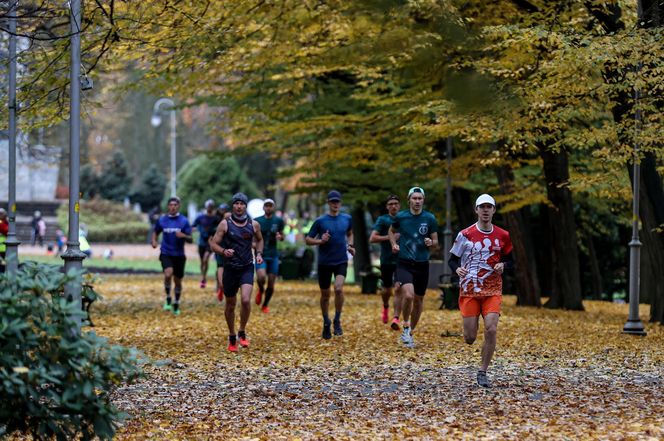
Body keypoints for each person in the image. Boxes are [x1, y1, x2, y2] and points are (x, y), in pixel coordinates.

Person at [448, 194, 513, 388]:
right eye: (482, 207)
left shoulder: (503, 235)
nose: (485, 210)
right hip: (469, 289)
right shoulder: (465, 234)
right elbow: (452, 259)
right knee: (470, 338)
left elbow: (512, 260)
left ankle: (483, 371)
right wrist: (457, 269)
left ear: (494, 210)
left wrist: (504, 265)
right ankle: (472, 335)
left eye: (489, 207)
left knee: (491, 329)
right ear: (476, 210)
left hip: (492, 288)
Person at [209, 193, 264, 352]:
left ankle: (242, 331)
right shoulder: (224, 224)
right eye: (236, 203)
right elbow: (214, 244)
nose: (239, 206)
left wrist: (259, 254)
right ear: (233, 206)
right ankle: (232, 335)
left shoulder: (254, 225)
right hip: (230, 268)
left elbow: (260, 240)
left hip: (246, 266)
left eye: (242, 204)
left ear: (245, 206)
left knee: (246, 300)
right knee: (231, 304)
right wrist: (223, 251)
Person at [388, 187, 439, 348]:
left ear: (423, 200)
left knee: (418, 300)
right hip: (404, 263)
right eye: (414, 198)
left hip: (422, 264)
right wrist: (394, 244)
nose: (417, 201)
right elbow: (391, 230)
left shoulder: (429, 218)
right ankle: (405, 325)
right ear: (409, 200)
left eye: (420, 198)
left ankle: (410, 333)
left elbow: (436, 242)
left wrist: (431, 243)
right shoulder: (401, 217)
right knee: (408, 295)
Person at [305, 190, 354, 339]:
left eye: (337, 202)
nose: (335, 204)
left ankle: (337, 319)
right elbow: (308, 239)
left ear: (340, 203)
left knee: (338, 289)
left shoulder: (347, 218)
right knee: (325, 295)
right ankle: (326, 321)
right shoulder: (320, 221)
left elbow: (350, 233)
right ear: (328, 203)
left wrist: (351, 245)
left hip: (341, 260)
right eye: (332, 202)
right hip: (324, 262)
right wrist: (320, 241)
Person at [152, 197, 193, 316]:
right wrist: (154, 241)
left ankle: (176, 302)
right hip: (166, 252)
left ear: (178, 206)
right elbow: (156, 231)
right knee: (168, 273)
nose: (173, 207)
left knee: (178, 281)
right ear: (168, 206)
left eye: (175, 205)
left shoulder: (184, 221)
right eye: (171, 205)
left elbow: (191, 238)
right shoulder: (162, 220)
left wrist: (184, 236)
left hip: (179, 255)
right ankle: (168, 297)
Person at [369, 195, 402, 328]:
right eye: (391, 204)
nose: (393, 206)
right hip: (387, 260)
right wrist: (390, 237)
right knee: (387, 290)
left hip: (402, 259)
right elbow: (372, 238)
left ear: (399, 205)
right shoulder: (383, 220)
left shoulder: (405, 218)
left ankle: (395, 318)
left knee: (399, 288)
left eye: (396, 203)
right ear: (387, 206)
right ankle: (386, 306)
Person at [254, 198, 285, 313]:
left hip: (273, 255)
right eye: (266, 205)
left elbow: (282, 236)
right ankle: (261, 290)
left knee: (271, 284)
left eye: (270, 206)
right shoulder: (257, 221)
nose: (268, 207)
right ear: (263, 207)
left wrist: (280, 237)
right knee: (261, 277)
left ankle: (265, 305)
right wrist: (255, 246)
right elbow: (252, 239)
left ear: (273, 207)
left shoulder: (278, 221)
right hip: (260, 255)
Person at [192, 199, 218, 289]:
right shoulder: (200, 217)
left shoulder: (215, 218)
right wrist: (194, 229)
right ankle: (203, 276)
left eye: (211, 206)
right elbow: (193, 225)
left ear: (212, 207)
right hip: (201, 241)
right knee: (202, 261)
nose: (209, 208)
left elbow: (220, 227)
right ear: (206, 207)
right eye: (208, 206)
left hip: (210, 242)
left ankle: (203, 278)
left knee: (205, 259)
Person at [212, 203, 230, 302]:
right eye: (222, 210)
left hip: (232, 252)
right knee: (220, 269)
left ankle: (224, 287)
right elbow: (211, 235)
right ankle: (220, 287)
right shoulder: (216, 222)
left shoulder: (235, 223)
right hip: (220, 250)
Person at [0, 208, 8, 273]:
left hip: (4, 247)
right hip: (2, 246)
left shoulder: (5, 222)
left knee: (3, 263)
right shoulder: (2, 222)